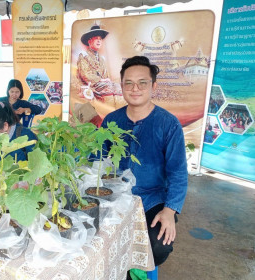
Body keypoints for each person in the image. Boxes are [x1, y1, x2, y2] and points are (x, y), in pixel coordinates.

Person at [100, 56, 188, 269]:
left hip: (152, 198)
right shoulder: (111, 121)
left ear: (153, 86)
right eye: (128, 83)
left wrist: (169, 211)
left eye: (142, 83)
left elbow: (178, 173)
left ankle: (135, 270)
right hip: (114, 194)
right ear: (122, 86)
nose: (135, 88)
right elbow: (98, 161)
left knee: (159, 245)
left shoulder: (168, 124)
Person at [77, 25, 122, 100]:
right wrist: (101, 80)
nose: (99, 41)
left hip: (103, 85)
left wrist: (106, 80)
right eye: (96, 39)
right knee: (111, 87)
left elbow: (105, 76)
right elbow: (85, 74)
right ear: (89, 41)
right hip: (91, 87)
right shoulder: (83, 56)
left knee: (119, 86)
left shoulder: (102, 59)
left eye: (100, 39)